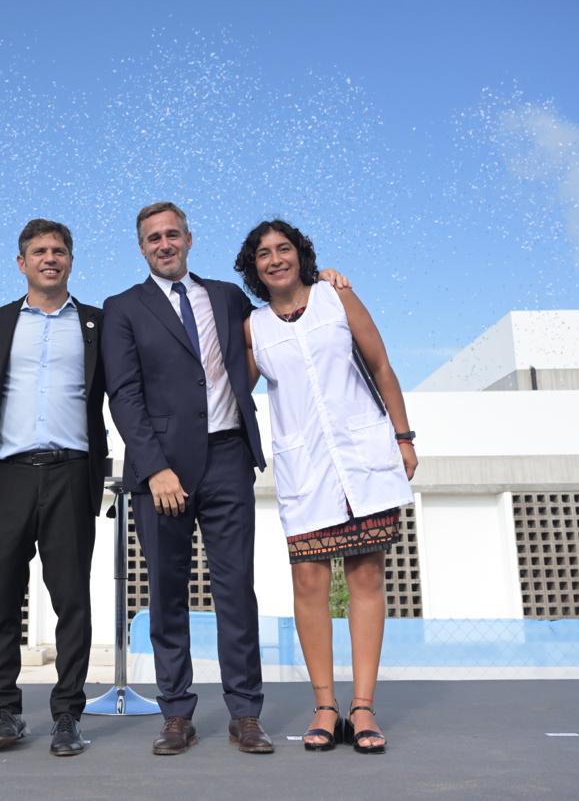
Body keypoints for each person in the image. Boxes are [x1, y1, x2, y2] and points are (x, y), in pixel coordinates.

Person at [101, 201, 349, 756]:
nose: (164, 244)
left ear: (189, 238)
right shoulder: (123, 308)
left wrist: (324, 279)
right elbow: (125, 394)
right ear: (142, 248)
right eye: (152, 238)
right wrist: (156, 466)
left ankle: (245, 713)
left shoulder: (227, 297)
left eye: (172, 234)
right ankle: (176, 713)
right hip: (160, 470)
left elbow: (285, 300)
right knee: (168, 593)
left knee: (235, 588)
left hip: (228, 458)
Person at [236, 219, 416, 755]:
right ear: (254, 267)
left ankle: (362, 708)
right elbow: (234, 394)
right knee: (310, 586)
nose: (275, 259)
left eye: (283, 249)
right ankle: (325, 706)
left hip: (363, 459)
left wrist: (404, 437)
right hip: (304, 471)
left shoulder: (338, 298)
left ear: (301, 254)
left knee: (365, 579)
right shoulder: (253, 327)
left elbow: (382, 366)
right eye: (263, 253)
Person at [0, 218, 108, 757]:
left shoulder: (98, 323)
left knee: (72, 599)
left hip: (72, 473)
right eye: (39, 251)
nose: (49, 258)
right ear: (21, 262)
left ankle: (67, 716)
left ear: (71, 260)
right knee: (2, 597)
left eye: (58, 250)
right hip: (8, 473)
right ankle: (5, 711)